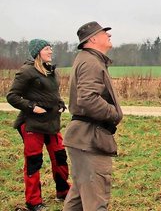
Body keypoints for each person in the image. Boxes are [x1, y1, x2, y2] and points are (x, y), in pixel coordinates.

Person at [63, 21, 123, 211]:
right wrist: (114, 114)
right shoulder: (90, 62)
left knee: (79, 198)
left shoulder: (88, 59)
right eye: (105, 33)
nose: (109, 35)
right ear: (93, 39)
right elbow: (88, 99)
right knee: (96, 202)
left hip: (83, 139)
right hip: (89, 140)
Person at [6, 39, 71, 211]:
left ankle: (63, 192)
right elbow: (12, 96)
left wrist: (60, 103)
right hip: (32, 125)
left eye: (51, 48)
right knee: (34, 163)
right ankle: (33, 201)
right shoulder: (27, 71)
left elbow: (52, 93)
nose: (51, 52)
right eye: (47, 49)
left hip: (52, 123)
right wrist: (32, 107)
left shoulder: (52, 71)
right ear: (37, 52)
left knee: (60, 158)